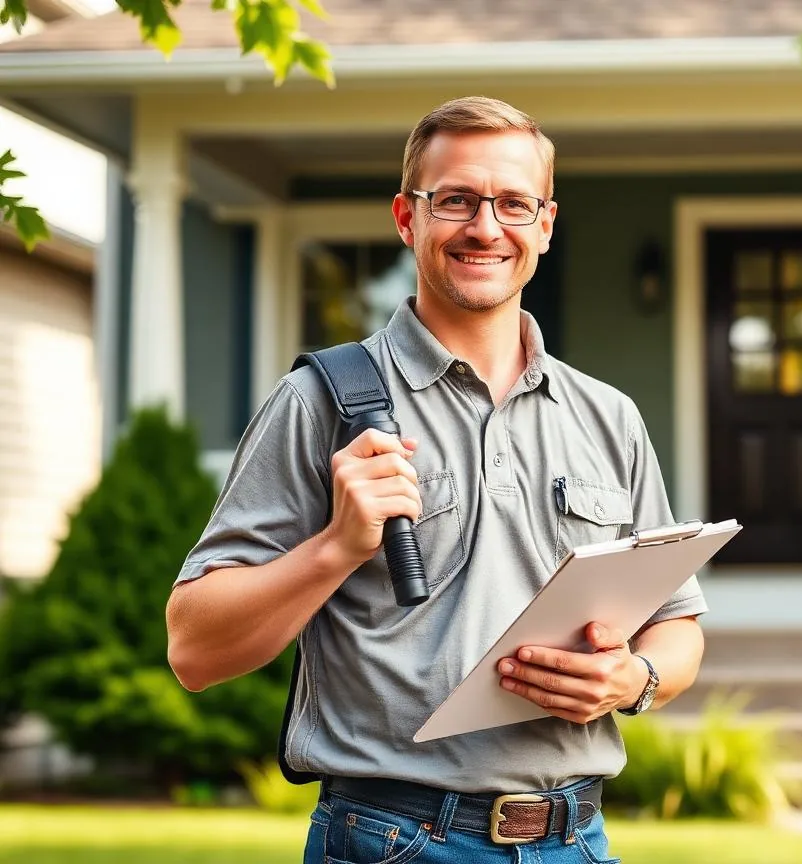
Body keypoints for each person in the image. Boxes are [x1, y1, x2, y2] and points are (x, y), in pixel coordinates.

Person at [166, 95, 708, 864]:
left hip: (577, 840)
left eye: (514, 203)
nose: (486, 227)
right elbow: (194, 648)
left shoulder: (607, 415)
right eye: (455, 200)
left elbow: (677, 624)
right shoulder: (322, 403)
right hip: (393, 839)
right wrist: (336, 547)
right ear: (405, 217)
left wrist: (634, 677)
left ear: (545, 226)